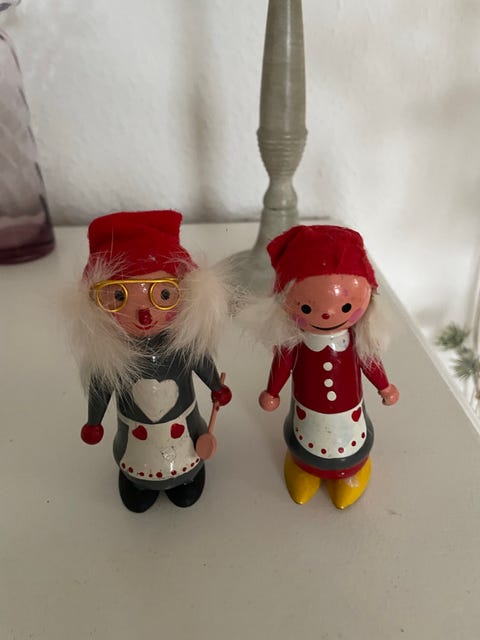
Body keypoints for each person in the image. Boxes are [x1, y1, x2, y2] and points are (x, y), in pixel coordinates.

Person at [71, 210, 232, 513]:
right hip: (134, 439)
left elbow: (201, 361)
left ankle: (187, 475)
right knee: (136, 459)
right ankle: (138, 482)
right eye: (118, 297)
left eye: (164, 294)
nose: (144, 314)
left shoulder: (181, 344)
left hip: (187, 431)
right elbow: (101, 388)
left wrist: (216, 386)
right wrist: (94, 421)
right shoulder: (112, 355)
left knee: (187, 455)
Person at [258, 225, 399, 509]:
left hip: (350, 417)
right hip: (306, 416)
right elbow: (282, 364)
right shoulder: (294, 342)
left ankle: (351, 470)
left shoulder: (358, 339)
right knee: (304, 440)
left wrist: (384, 386)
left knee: (351, 443)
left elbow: (370, 362)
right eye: (307, 308)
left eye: (346, 308)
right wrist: (272, 391)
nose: (328, 315)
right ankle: (304, 468)